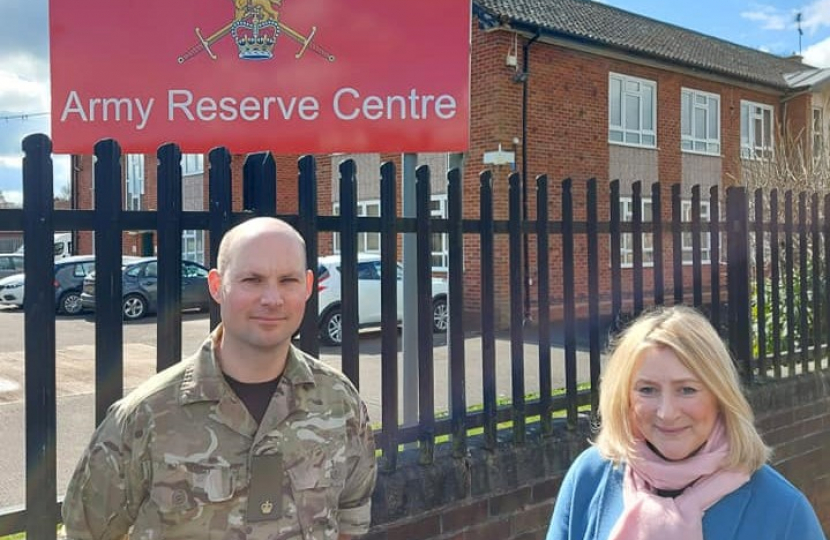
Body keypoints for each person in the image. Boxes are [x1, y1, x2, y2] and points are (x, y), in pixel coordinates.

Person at [62, 217, 377, 540]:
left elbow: (350, 516)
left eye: (288, 280)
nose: (272, 298)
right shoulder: (145, 417)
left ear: (308, 286)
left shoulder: (340, 401)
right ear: (216, 286)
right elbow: (83, 532)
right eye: (252, 280)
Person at [546, 305, 826, 540]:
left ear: (720, 395)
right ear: (624, 397)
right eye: (647, 389)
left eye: (687, 389)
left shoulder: (783, 512)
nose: (667, 413)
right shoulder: (589, 478)